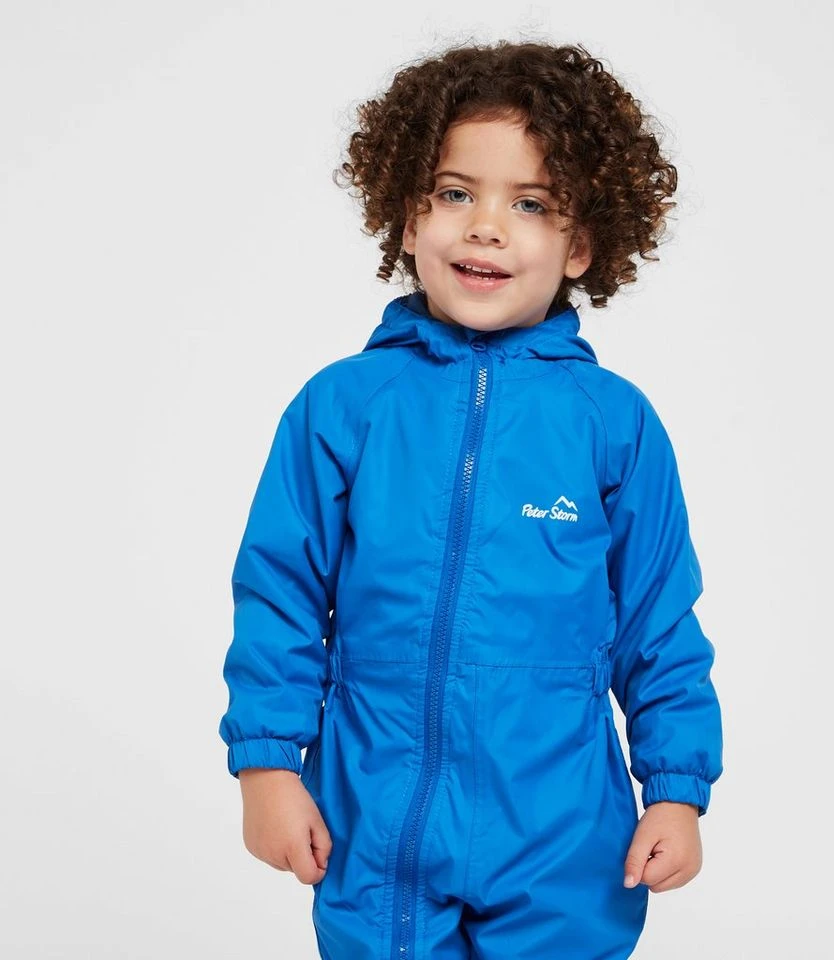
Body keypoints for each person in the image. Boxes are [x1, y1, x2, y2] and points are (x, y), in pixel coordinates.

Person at [219, 39, 723, 960]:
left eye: (529, 204)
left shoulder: (612, 423)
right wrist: (266, 763)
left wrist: (677, 788)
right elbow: (279, 593)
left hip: (562, 836)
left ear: (580, 245)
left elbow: (659, 620)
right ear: (407, 219)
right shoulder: (344, 406)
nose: (486, 227)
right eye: (455, 193)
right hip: (376, 821)